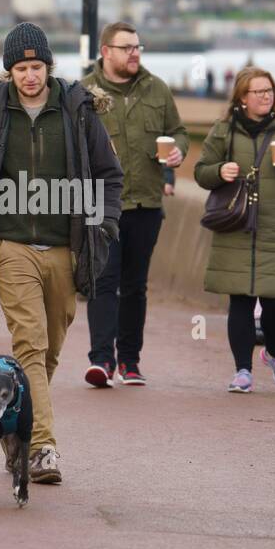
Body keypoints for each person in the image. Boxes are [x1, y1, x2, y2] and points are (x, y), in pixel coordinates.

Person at [0, 22, 122, 484]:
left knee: (47, 355)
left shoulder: (79, 113)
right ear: (9, 72)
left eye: (37, 66)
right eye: (22, 68)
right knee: (31, 344)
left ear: (49, 67)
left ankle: (9, 422)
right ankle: (41, 448)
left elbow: (109, 176)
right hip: (12, 247)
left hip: (66, 247)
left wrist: (104, 224)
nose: (30, 76)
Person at [195, 67, 275, 393]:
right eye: (258, 91)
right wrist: (220, 170)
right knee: (240, 300)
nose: (265, 96)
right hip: (237, 225)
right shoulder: (225, 130)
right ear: (242, 98)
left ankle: (274, 353)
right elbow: (201, 172)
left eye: (269, 91)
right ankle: (242, 371)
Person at [81, 21, 188, 388]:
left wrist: (177, 153)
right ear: (105, 51)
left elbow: (179, 132)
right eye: (126, 47)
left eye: (138, 47)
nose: (135, 53)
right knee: (102, 281)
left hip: (145, 202)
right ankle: (101, 361)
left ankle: (130, 361)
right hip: (99, 204)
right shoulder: (83, 92)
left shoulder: (156, 88)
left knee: (135, 285)